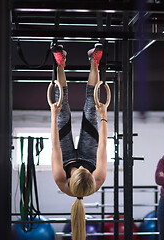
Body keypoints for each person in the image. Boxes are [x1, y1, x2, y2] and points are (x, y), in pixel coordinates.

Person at [50, 43, 108, 240]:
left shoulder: (60, 178)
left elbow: (55, 145)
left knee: (61, 107)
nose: (81, 167)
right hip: (90, 152)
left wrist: (53, 115)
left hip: (64, 155)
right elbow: (102, 146)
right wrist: (104, 115)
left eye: (78, 170)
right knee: (92, 107)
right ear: (90, 175)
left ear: (71, 177)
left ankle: (60, 63)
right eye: (85, 170)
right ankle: (94, 62)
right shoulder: (97, 179)